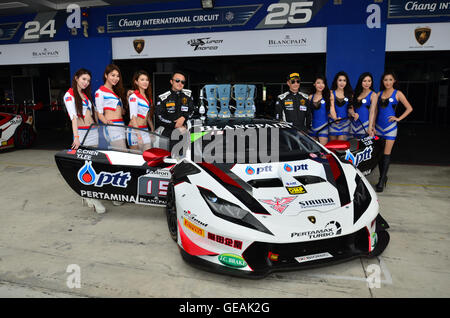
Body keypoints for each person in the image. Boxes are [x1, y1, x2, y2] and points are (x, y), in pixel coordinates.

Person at [63, 68, 105, 214]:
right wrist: (76, 138)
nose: (86, 82)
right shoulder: (69, 95)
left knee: (94, 164)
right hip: (81, 134)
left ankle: (88, 194)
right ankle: (90, 196)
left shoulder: (84, 95)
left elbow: (91, 115)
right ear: (76, 78)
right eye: (83, 79)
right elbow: (74, 118)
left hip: (92, 132)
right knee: (87, 166)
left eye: (88, 80)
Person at [375, 71, 413, 192]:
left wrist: (398, 118)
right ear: (382, 81)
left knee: (386, 154)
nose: (388, 82)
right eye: (385, 80)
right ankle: (383, 177)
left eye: (390, 80)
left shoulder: (398, 94)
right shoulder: (379, 94)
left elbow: (409, 108)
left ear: (394, 81)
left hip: (390, 128)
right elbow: (375, 112)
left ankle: (381, 181)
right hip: (378, 128)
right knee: (380, 155)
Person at [95, 64, 127, 151]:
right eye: (113, 75)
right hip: (112, 126)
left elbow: (121, 111)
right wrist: (106, 122)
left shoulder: (116, 92)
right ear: (106, 75)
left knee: (122, 152)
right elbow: (99, 113)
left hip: (121, 125)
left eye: (117, 76)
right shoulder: (100, 92)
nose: (115, 78)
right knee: (122, 152)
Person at [155, 71, 194, 140]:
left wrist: (184, 118)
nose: (180, 83)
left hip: (185, 131)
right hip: (168, 133)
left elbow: (191, 110)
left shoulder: (188, 94)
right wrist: (174, 125)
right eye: (177, 81)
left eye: (182, 82)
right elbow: (159, 117)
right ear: (171, 81)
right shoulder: (163, 97)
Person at [127, 70, 154, 151]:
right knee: (136, 158)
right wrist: (138, 135)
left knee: (147, 156)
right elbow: (133, 117)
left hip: (145, 129)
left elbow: (148, 117)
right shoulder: (134, 97)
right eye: (142, 80)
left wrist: (152, 129)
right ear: (136, 82)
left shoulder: (148, 97)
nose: (145, 82)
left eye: (146, 80)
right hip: (134, 131)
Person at [309, 75, 337, 145]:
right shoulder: (310, 97)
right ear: (314, 84)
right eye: (318, 83)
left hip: (323, 127)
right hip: (312, 128)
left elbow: (332, 109)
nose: (321, 85)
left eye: (323, 83)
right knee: (312, 153)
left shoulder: (329, 95)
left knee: (323, 152)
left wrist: (335, 118)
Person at [329, 71, 356, 140]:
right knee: (333, 147)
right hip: (333, 122)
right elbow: (331, 108)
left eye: (344, 80)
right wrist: (335, 118)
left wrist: (353, 114)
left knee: (341, 147)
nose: (342, 83)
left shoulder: (350, 94)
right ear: (336, 81)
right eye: (340, 80)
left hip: (345, 123)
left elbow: (350, 108)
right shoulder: (331, 93)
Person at [351, 72, 378, 138]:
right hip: (353, 124)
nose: (367, 83)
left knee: (363, 147)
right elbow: (351, 107)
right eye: (364, 81)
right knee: (353, 147)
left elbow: (372, 112)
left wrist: (370, 127)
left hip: (365, 125)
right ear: (361, 82)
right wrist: (353, 113)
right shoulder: (355, 93)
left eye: (369, 81)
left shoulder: (373, 95)